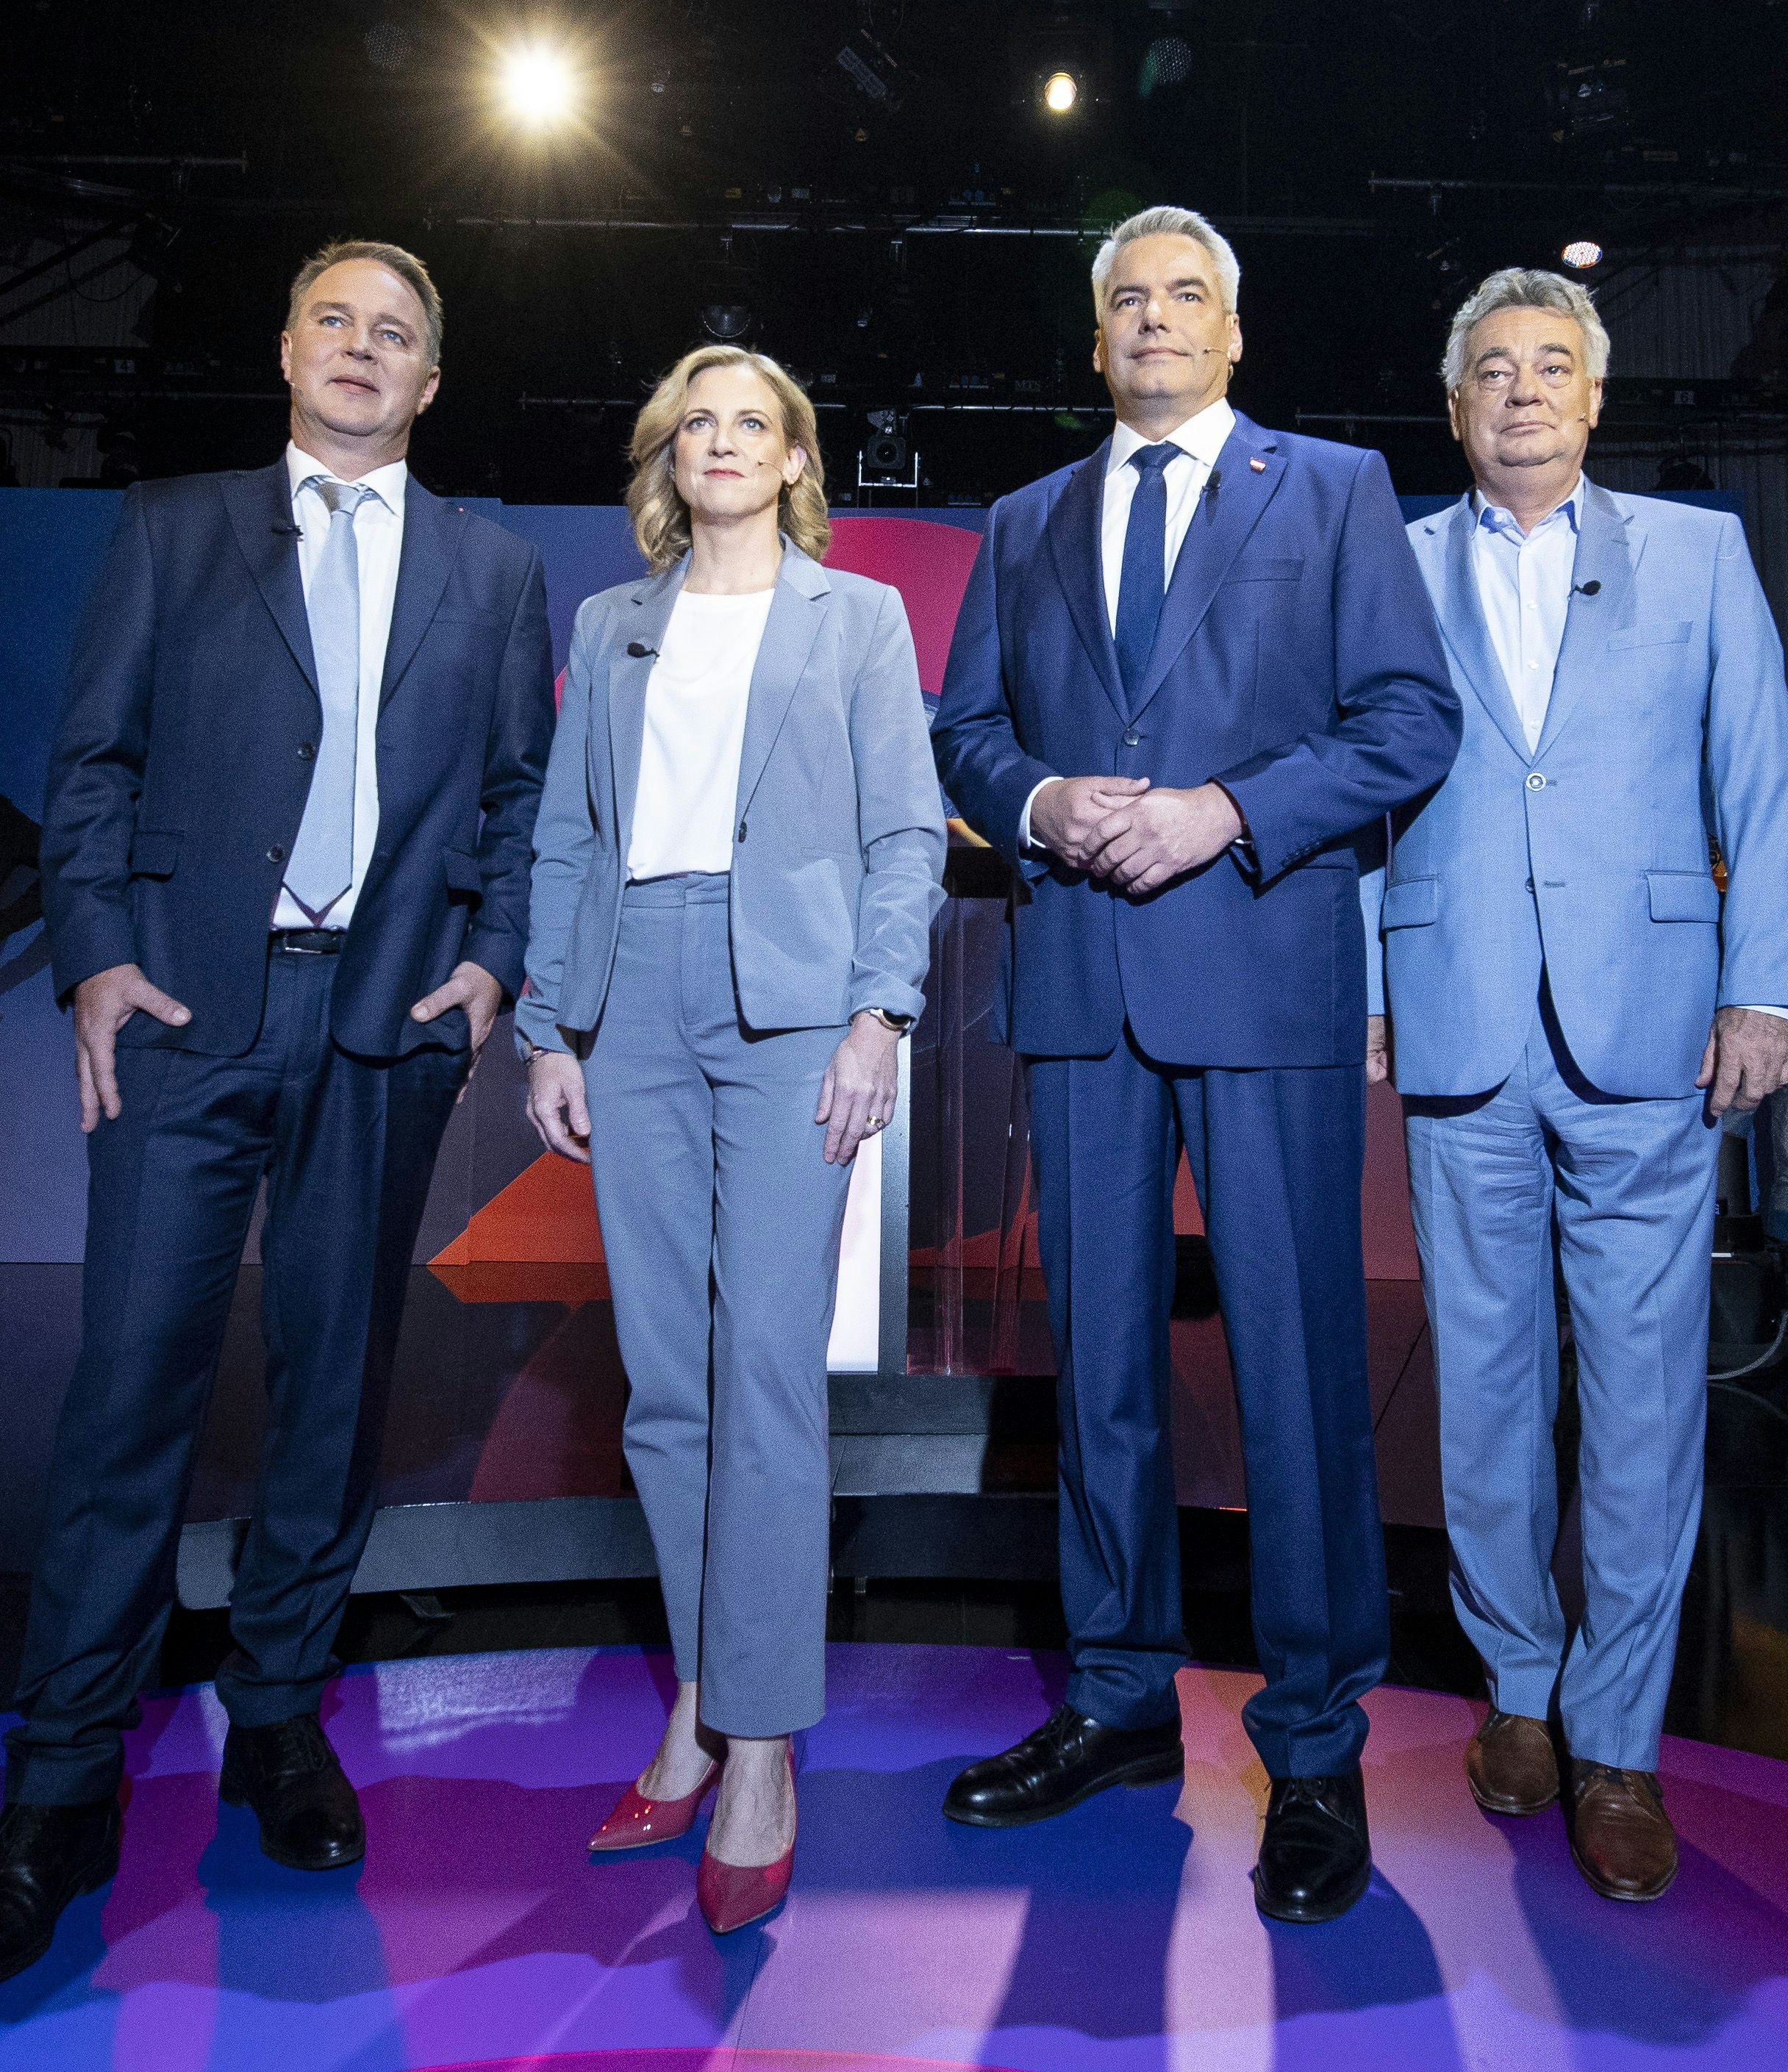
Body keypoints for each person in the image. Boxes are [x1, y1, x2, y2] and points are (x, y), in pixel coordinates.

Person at [0, 242, 554, 1985]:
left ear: (432, 380)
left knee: (336, 1392)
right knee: (128, 1396)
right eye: (337, 320)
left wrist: (491, 968)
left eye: (398, 334)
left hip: (383, 1024)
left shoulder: (493, 569)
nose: (365, 350)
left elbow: (523, 803)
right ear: (288, 346)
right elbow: (86, 766)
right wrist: (93, 956)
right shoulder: (172, 529)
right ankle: (65, 1777)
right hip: (186, 1010)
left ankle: (280, 1720)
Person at [931, 205, 1461, 1923]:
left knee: (1299, 1374)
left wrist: (1224, 811)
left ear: (1235, 330)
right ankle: (1115, 1699)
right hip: (1080, 990)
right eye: (1124, 303)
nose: (1153, 321)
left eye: (1185, 297)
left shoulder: (1334, 490)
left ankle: (1310, 1750)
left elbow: (1405, 721)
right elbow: (967, 728)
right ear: (1095, 343)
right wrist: (1034, 803)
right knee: (1096, 1375)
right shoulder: (1021, 522)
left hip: (1262, 980)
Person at [1365, 266, 1788, 1901]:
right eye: (1493, 370)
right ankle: (1518, 1694)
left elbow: (1760, 778)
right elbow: (1356, 796)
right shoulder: (1387, 570)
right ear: (1456, 407)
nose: (1524, 391)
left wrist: (1763, 984)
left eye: (1553, 366)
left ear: (1597, 400)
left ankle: (1617, 1740)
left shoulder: (1695, 555)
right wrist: (1373, 983)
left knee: (1641, 1399)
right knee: (1477, 1390)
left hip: (1650, 1032)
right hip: (1459, 1020)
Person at [521, 343, 943, 1936]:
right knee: (668, 1379)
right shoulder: (609, 624)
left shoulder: (857, 616)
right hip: (629, 998)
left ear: (791, 456)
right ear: (666, 454)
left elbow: (905, 828)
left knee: (765, 1368)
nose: (718, 442)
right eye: (692, 421)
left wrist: (875, 1015)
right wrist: (549, 1026)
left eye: (748, 422)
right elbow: (568, 833)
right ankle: (699, 1708)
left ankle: (762, 1744)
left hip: (790, 1010)